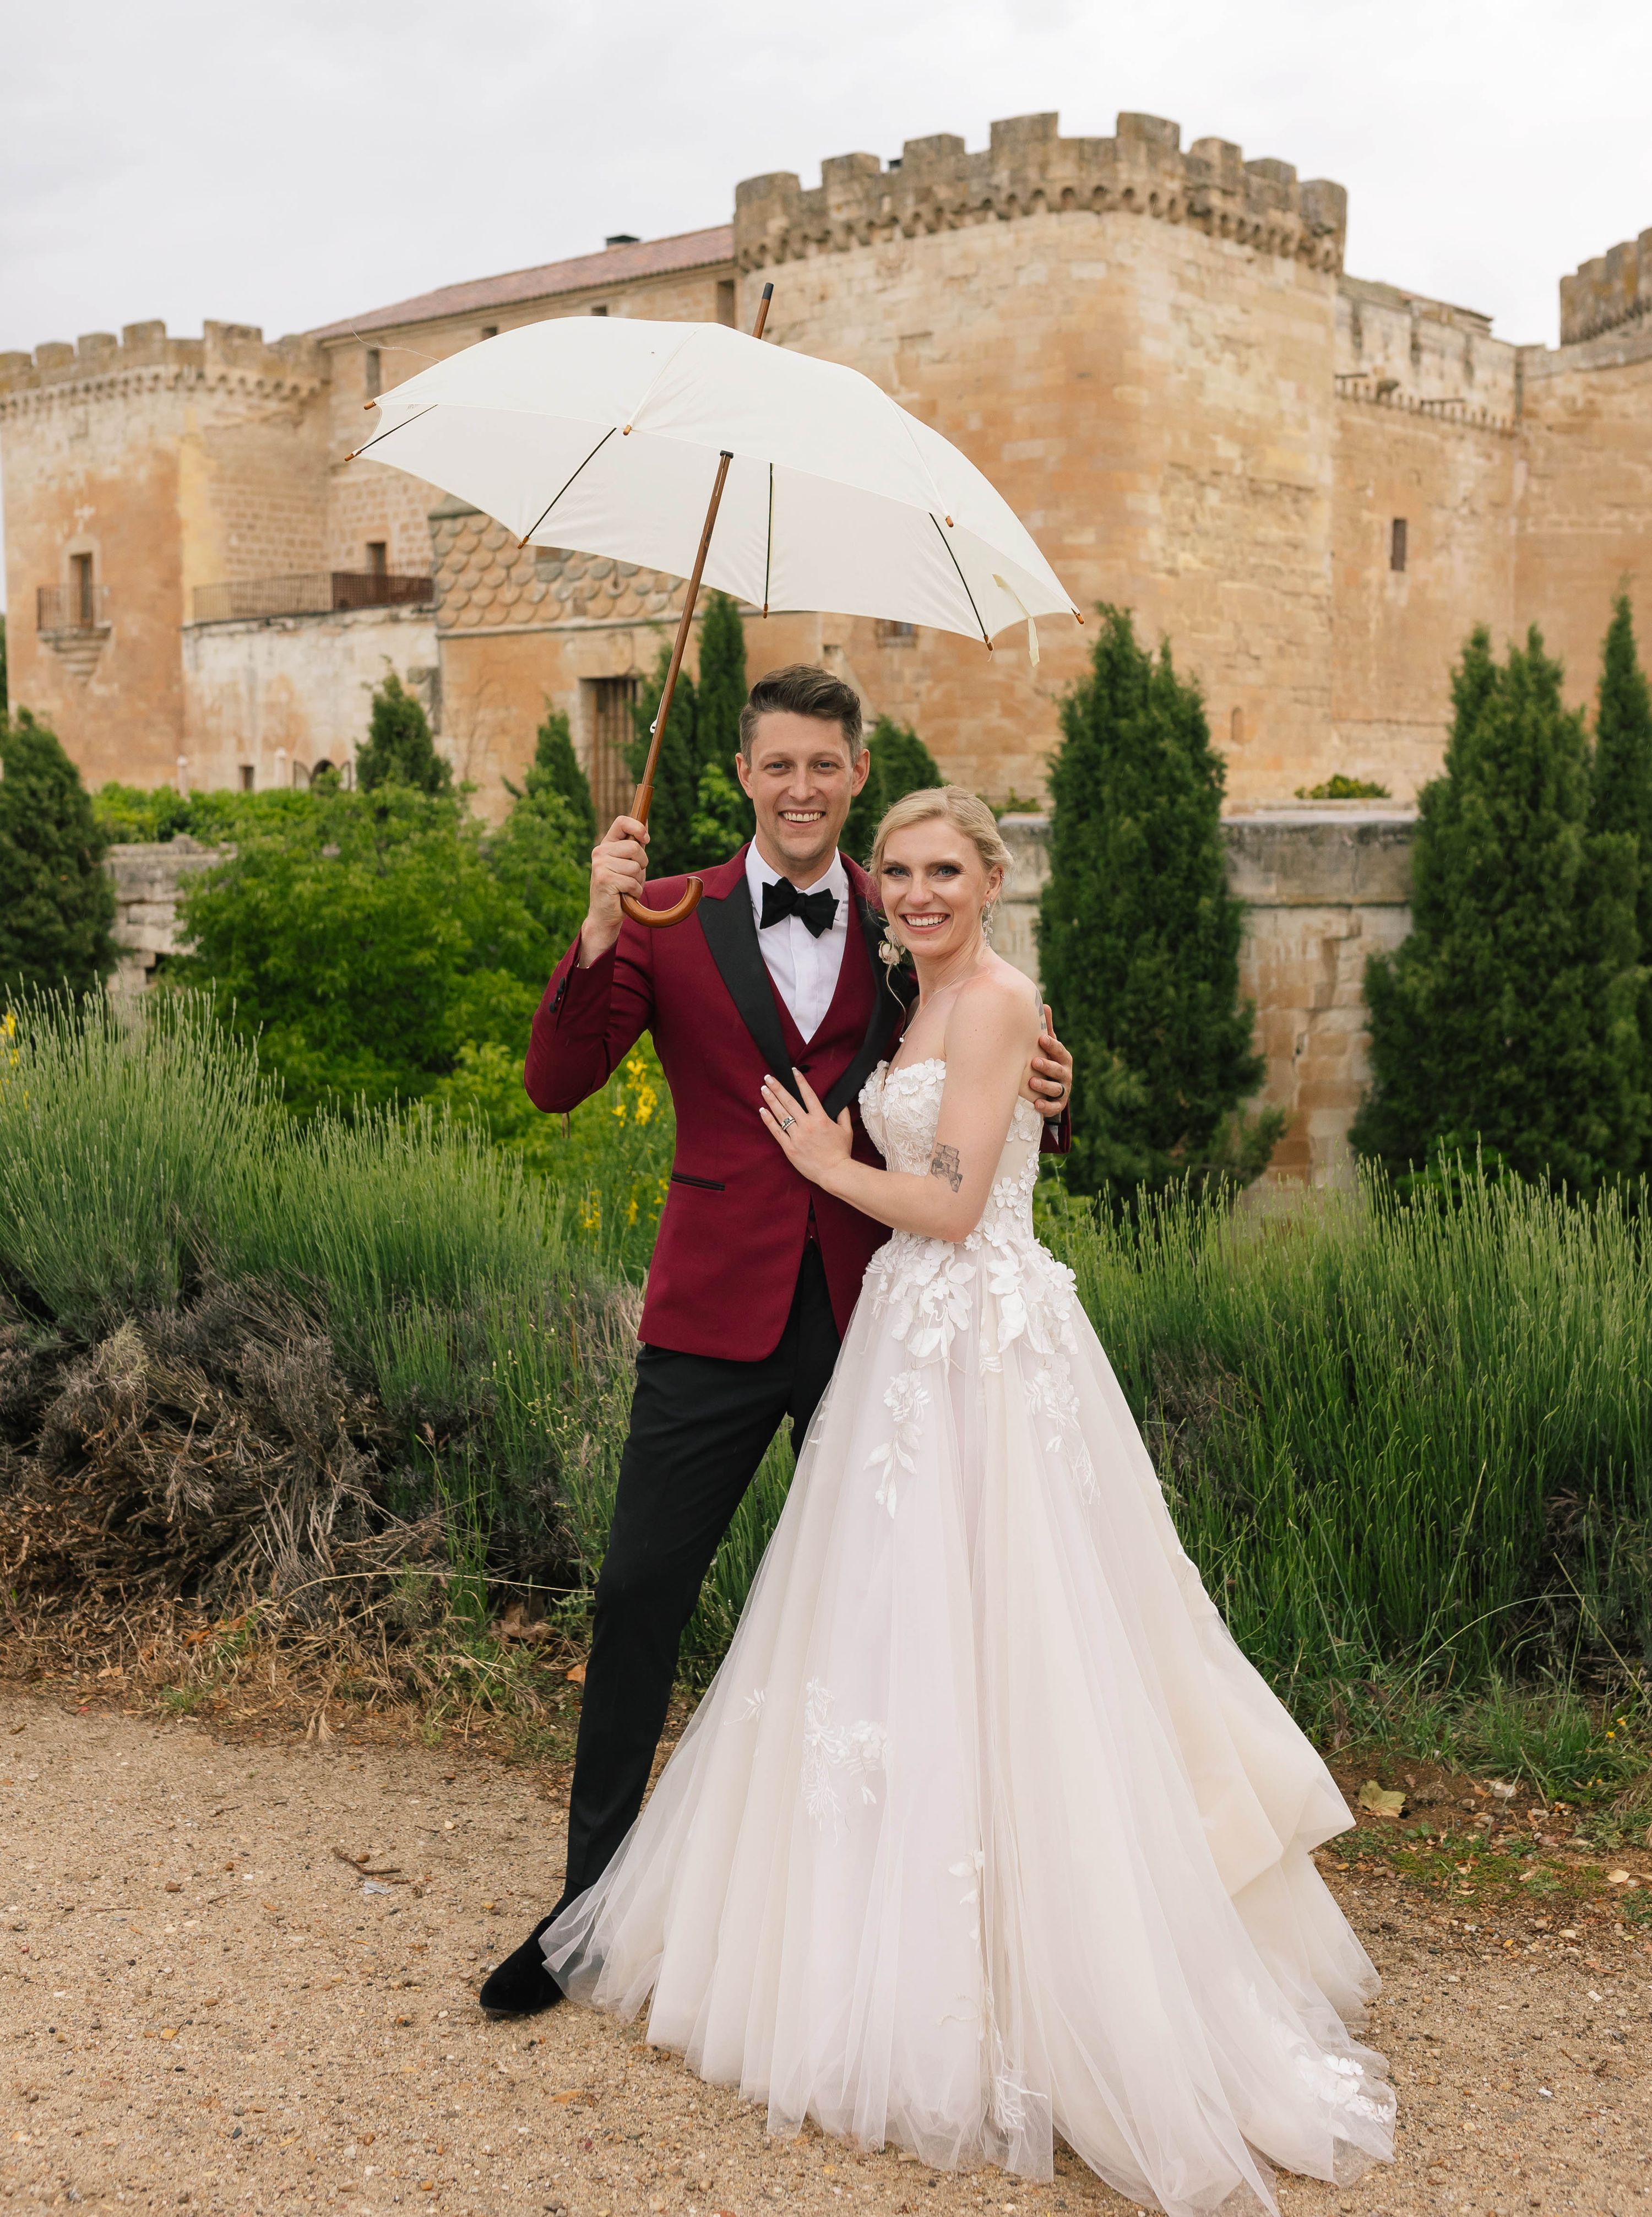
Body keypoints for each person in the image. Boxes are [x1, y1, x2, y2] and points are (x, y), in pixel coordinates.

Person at [535, 785, 1396, 2216]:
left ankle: (1054, 1981)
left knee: (1023, 1636)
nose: (921, 892)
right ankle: (888, 1948)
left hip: (983, 1347)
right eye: (906, 874)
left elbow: (955, 1190)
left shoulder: (994, 1001)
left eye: (948, 871)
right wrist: (599, 916)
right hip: (903, 1349)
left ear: (995, 878)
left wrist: (833, 1162)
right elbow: (949, 1139)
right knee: (896, 1639)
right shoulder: (903, 993)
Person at [479, 666, 1073, 2018]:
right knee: (639, 1595)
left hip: (885, 1314)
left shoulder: (905, 907)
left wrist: (1059, 1076)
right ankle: (586, 1917)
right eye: (777, 766)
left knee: (910, 1614)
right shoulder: (665, 913)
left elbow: (983, 1058)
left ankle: (904, 1924)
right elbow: (556, 1083)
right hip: (713, 1309)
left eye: (825, 765)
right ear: (741, 777)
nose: (801, 788)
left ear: (859, 774)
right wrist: (590, 923)